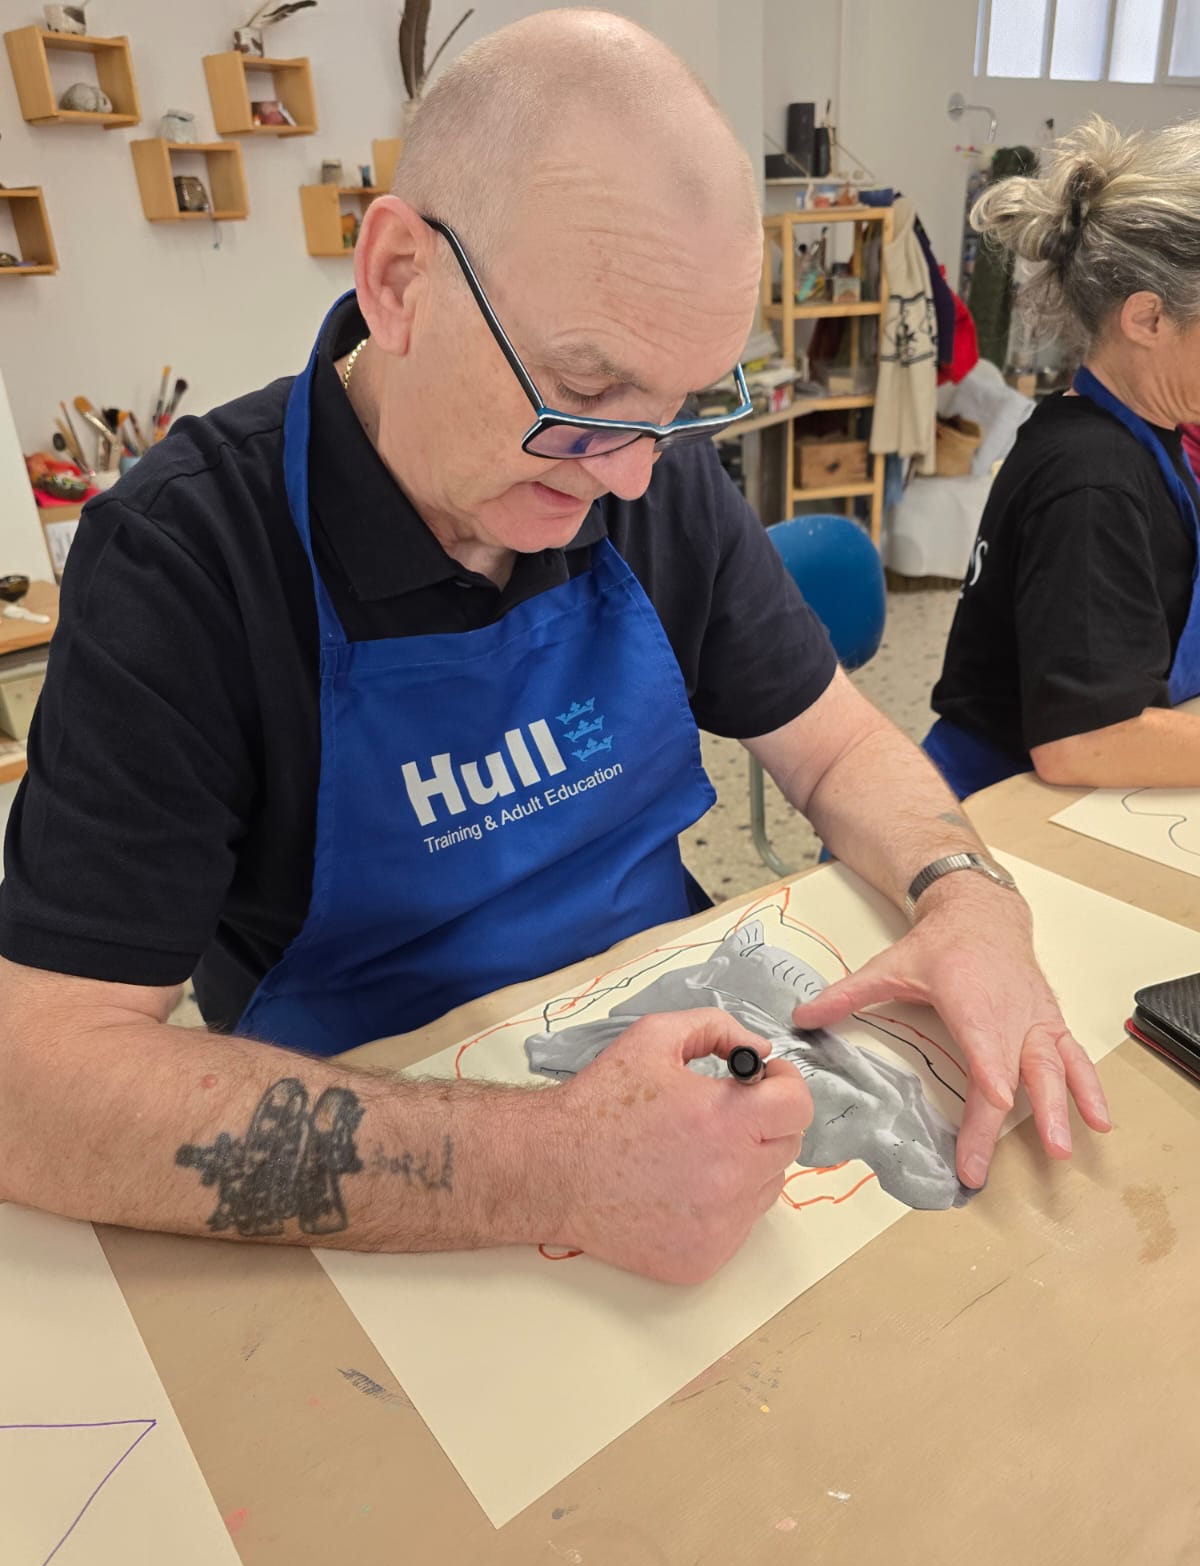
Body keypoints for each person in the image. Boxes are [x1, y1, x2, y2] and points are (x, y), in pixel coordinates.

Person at [0, 11, 1109, 1285]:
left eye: (679, 405)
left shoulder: (644, 478)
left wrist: (967, 894)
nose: (632, 475)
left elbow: (842, 738)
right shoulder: (186, 562)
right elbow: (39, 1081)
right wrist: (551, 1162)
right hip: (371, 1157)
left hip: (673, 1066)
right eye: (583, 393)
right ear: (400, 279)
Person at [926, 115, 1200, 798]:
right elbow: (1086, 741)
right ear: (1148, 319)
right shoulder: (1091, 477)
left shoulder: (1144, 432)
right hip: (998, 805)